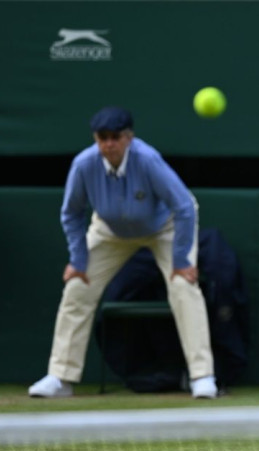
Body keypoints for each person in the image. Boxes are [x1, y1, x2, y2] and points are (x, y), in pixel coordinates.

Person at [28, 106, 218, 399]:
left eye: (115, 137)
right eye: (102, 137)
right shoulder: (84, 164)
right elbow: (72, 213)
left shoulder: (148, 160)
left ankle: (202, 377)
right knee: (77, 287)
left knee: (183, 286)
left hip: (162, 229)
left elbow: (184, 206)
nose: (108, 144)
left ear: (128, 138)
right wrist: (78, 260)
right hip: (109, 231)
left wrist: (181, 261)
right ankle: (60, 377)